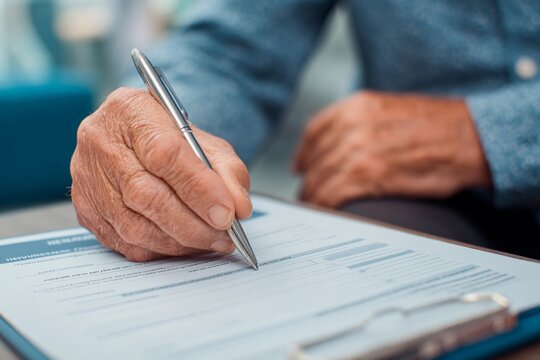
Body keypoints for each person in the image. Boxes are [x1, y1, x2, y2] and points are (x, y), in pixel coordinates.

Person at [70, 1, 540, 263]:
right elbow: (232, 54)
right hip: (425, 197)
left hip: (414, 164)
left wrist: (485, 133)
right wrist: (146, 131)